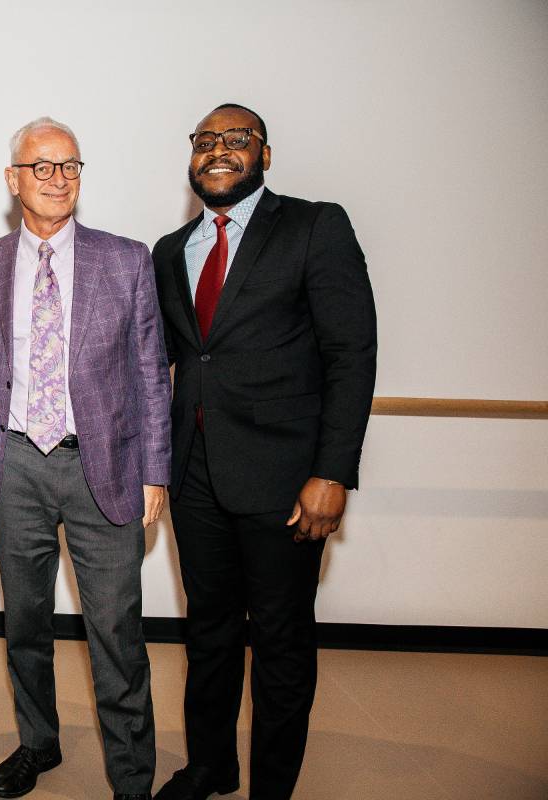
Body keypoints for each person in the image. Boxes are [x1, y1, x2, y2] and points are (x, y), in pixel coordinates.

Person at [0, 117, 172, 800]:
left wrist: (157, 470)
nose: (58, 178)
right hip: (13, 467)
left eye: (69, 166)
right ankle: (37, 744)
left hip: (105, 470)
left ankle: (132, 779)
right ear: (13, 179)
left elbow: (151, 371)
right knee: (25, 624)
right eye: (41, 166)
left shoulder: (125, 259)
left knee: (117, 633)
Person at [150, 104, 377, 800]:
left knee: (280, 641)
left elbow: (351, 353)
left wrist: (332, 471)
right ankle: (209, 766)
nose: (218, 151)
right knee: (208, 634)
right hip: (195, 478)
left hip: (285, 481)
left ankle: (272, 789)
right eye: (205, 141)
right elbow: (171, 358)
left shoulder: (314, 226)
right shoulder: (170, 250)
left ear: (266, 156)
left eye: (236, 139)